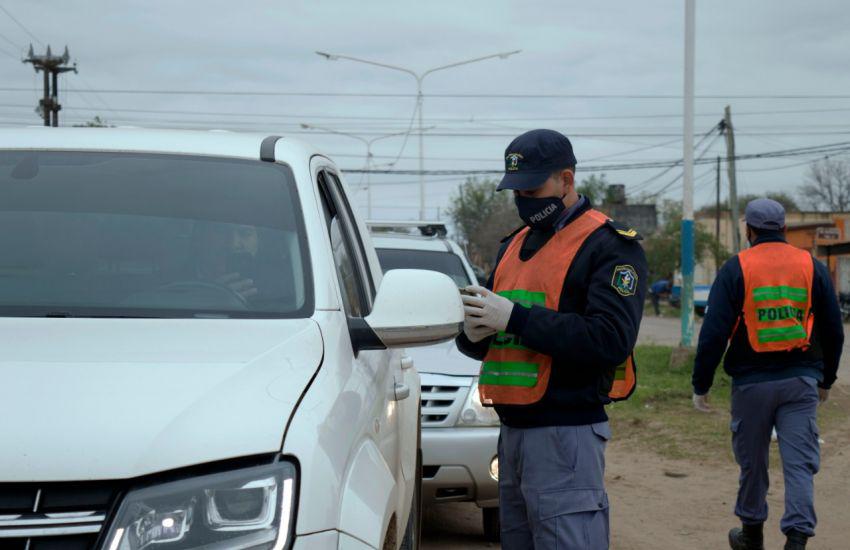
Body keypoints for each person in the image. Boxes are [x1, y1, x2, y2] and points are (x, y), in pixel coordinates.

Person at [456, 129, 647, 549]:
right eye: (517, 190)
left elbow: (610, 338)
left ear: (566, 179)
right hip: (512, 435)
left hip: (566, 434)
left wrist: (516, 317)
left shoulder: (609, 246)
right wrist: (470, 335)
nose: (525, 197)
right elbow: (494, 331)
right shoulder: (513, 245)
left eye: (533, 186)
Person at [691, 198, 844, 550]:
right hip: (801, 381)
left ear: (749, 231)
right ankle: (797, 540)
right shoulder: (812, 266)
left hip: (751, 385)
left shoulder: (735, 268)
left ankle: (751, 535)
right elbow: (834, 330)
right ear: (784, 229)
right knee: (799, 463)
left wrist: (701, 384)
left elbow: (713, 333)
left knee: (753, 462)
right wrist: (826, 379)